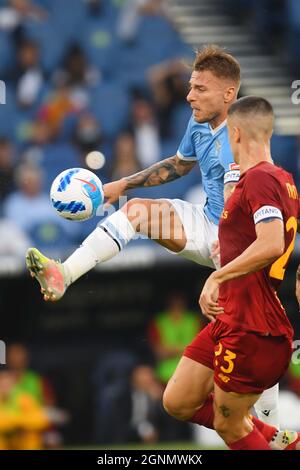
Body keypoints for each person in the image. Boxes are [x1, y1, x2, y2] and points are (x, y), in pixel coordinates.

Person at [25, 45, 277, 426]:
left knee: (252, 350)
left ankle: (269, 427)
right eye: (191, 86)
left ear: (229, 94)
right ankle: (64, 274)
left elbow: (251, 196)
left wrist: (229, 240)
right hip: (208, 222)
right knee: (136, 211)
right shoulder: (199, 122)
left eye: (200, 89)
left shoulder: (244, 135)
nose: (190, 95)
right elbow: (179, 165)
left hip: (242, 242)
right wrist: (120, 185)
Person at [163, 96, 300, 450]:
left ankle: (267, 439)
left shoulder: (260, 180)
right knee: (177, 401)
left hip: (253, 325)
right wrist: (229, 249)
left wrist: (217, 276)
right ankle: (279, 440)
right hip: (232, 317)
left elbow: (270, 244)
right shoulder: (280, 180)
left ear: (234, 133)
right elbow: (259, 237)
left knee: (229, 424)